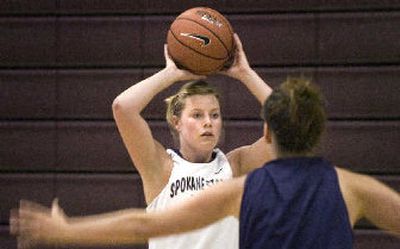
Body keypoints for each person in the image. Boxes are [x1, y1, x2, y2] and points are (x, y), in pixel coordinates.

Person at [10, 77, 400, 249]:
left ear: (266, 131)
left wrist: (68, 231)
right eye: (198, 115)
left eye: (215, 114)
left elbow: (288, 120)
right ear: (176, 121)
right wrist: (174, 71)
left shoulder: (236, 174)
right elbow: (122, 107)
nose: (209, 122)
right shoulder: (161, 167)